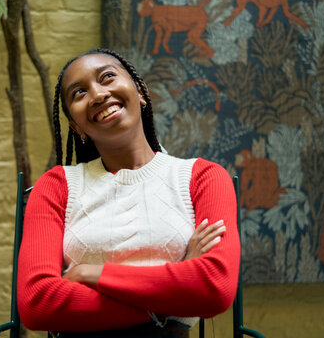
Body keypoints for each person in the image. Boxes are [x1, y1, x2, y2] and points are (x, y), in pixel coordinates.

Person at [17, 48, 240, 337]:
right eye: (79, 93)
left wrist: (91, 274)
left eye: (107, 77)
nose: (97, 95)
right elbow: (38, 303)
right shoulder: (57, 186)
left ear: (140, 92)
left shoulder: (202, 178)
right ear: (76, 126)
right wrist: (167, 301)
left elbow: (214, 288)